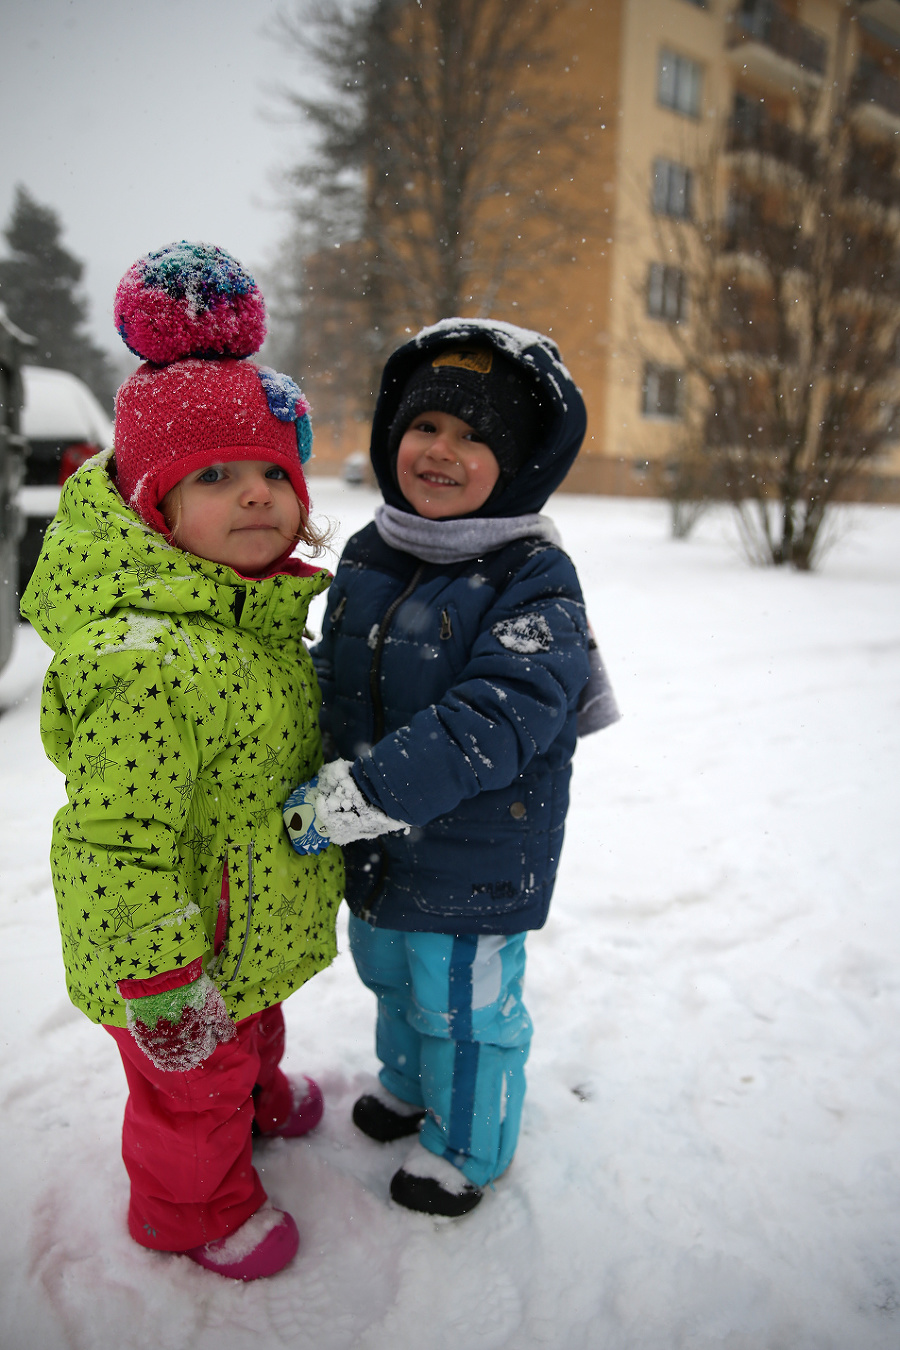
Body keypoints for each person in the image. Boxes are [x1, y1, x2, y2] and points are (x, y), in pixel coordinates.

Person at [20, 242, 344, 1280]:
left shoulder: (244, 622)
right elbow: (114, 841)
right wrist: (160, 978)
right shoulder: (146, 663)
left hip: (239, 924)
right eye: (214, 478)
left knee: (248, 1031)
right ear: (153, 508)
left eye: (271, 475)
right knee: (188, 1084)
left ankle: (253, 1095)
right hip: (172, 951)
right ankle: (189, 1209)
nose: (254, 497)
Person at [284, 319, 618, 1216]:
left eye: (476, 439)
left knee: (464, 1008)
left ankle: (469, 1143)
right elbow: (340, 668)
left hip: (474, 854)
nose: (442, 451)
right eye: (428, 426)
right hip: (382, 845)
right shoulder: (373, 547)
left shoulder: (533, 576)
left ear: (517, 467)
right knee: (390, 970)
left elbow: (497, 718)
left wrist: (364, 794)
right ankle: (408, 1085)